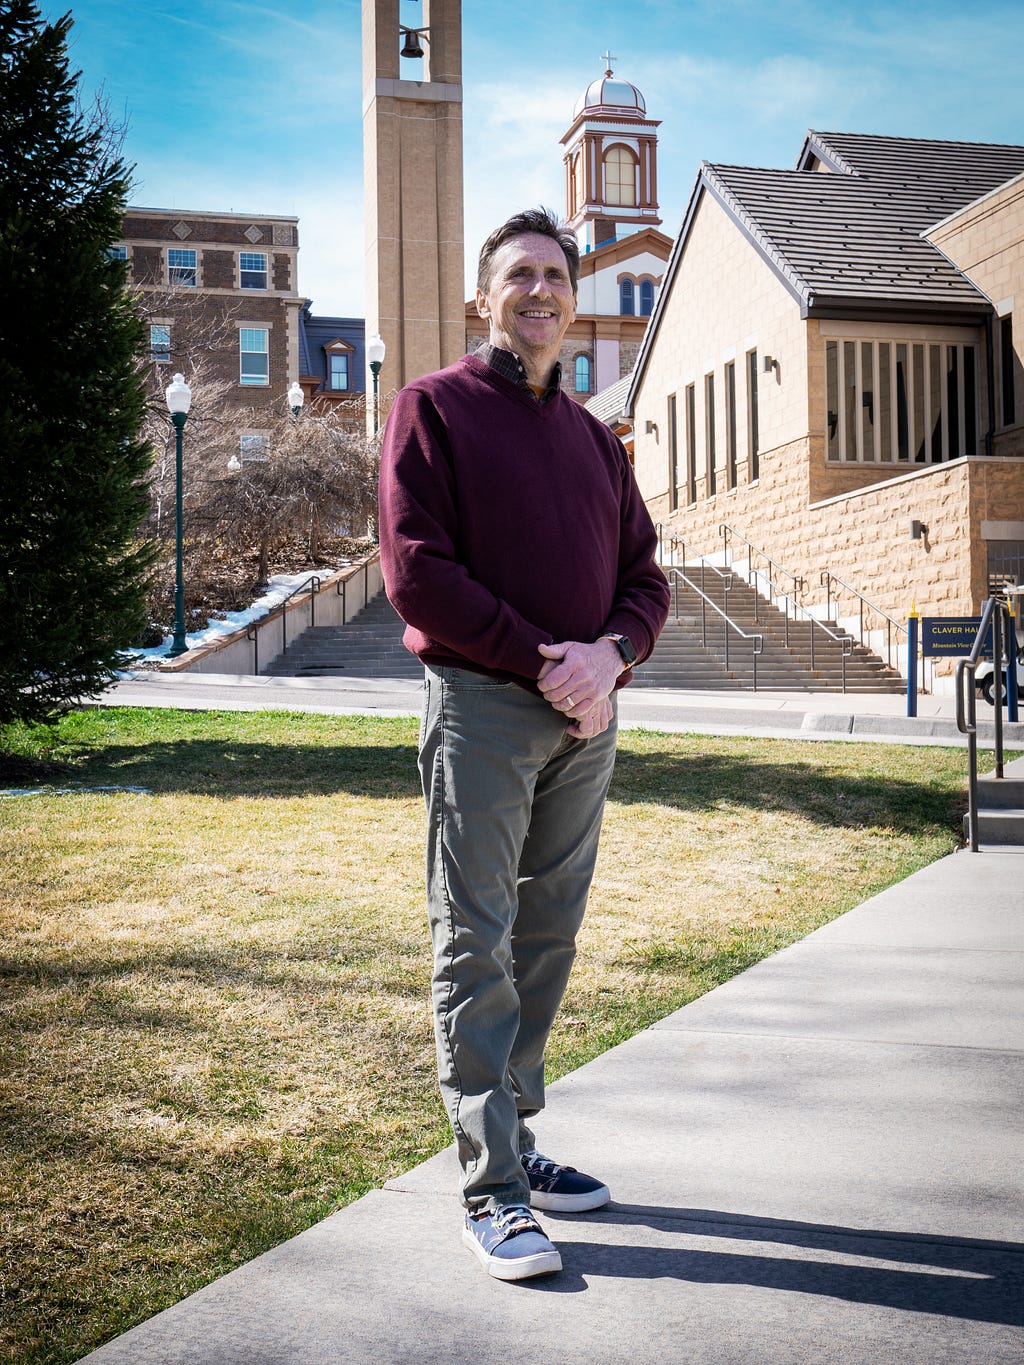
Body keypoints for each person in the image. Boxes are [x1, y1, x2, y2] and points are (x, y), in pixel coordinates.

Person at [378, 207, 669, 1281]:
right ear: (483, 299)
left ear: (573, 298)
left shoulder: (596, 439)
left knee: (546, 938)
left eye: (555, 275)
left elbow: (646, 577)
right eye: (519, 278)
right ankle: (490, 1191)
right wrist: (541, 656)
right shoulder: (435, 409)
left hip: (584, 716)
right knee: (476, 940)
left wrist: (609, 657)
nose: (539, 292)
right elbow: (416, 571)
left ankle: (518, 1140)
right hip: (484, 706)